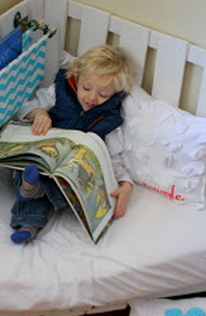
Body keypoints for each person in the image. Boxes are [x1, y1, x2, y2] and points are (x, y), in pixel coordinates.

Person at [10, 45, 136, 243]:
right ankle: (31, 208)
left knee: (64, 188)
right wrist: (39, 113)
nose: (92, 98)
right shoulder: (59, 91)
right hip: (44, 155)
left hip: (70, 170)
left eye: (104, 95)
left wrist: (125, 183)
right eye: (86, 88)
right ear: (76, 78)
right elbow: (25, 107)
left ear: (115, 94)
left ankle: (31, 218)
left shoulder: (110, 118)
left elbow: (113, 157)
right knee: (25, 169)